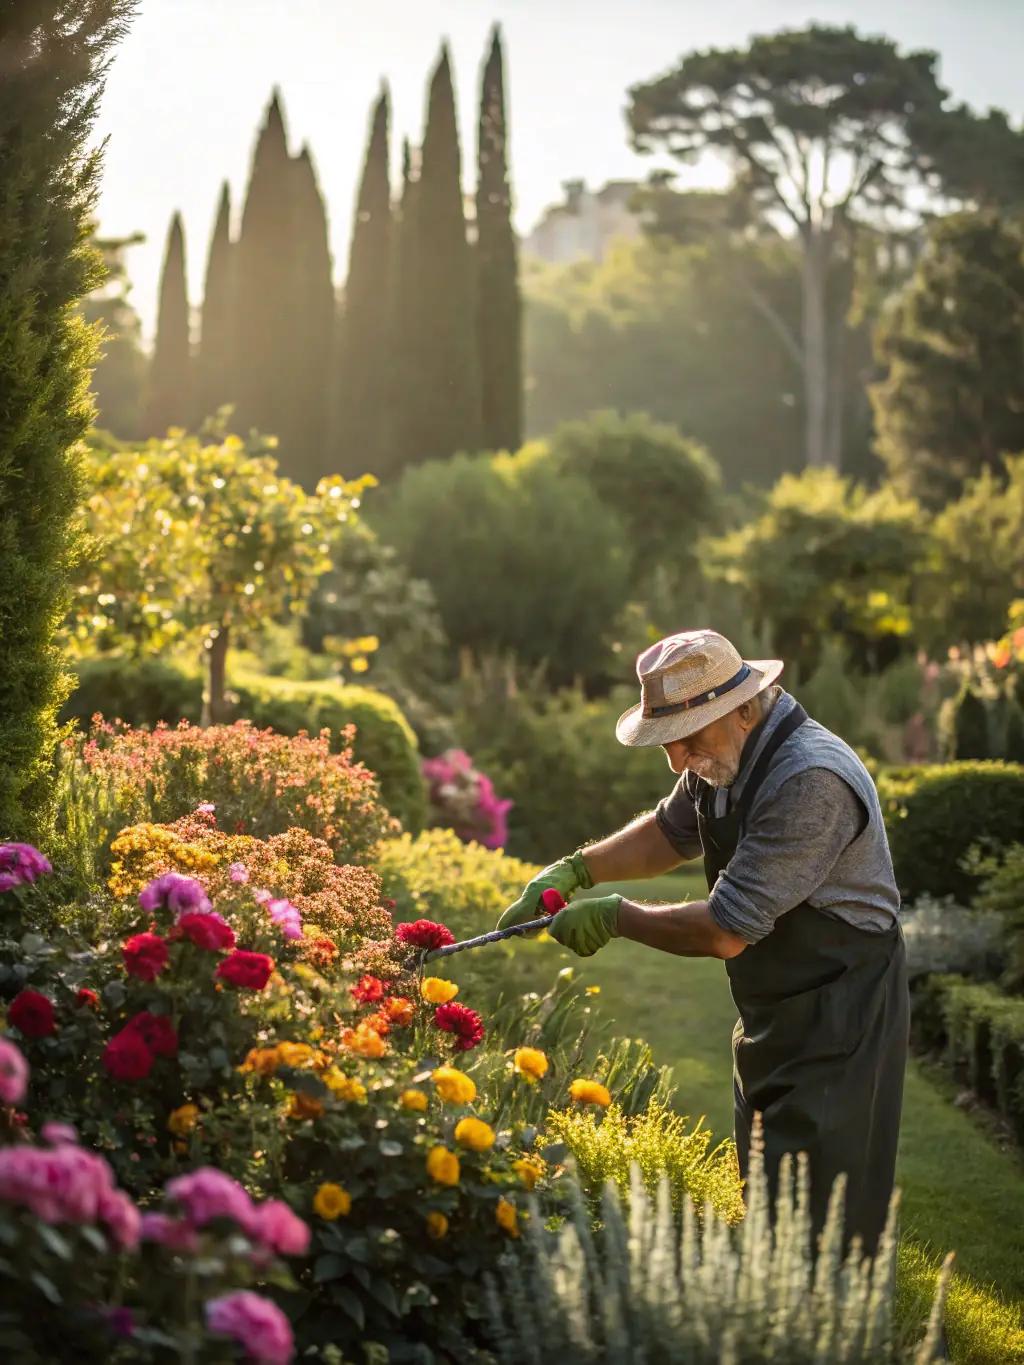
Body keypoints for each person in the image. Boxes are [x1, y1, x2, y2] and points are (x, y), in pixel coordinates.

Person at [498, 628, 910, 1258]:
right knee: (772, 1198)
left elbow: (725, 930)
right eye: (667, 741)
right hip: (778, 1007)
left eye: (687, 738)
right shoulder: (726, 754)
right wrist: (576, 869)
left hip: (842, 1011)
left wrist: (617, 917)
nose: (675, 759)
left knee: (827, 1224)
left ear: (743, 705)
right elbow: (669, 834)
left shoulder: (811, 782)